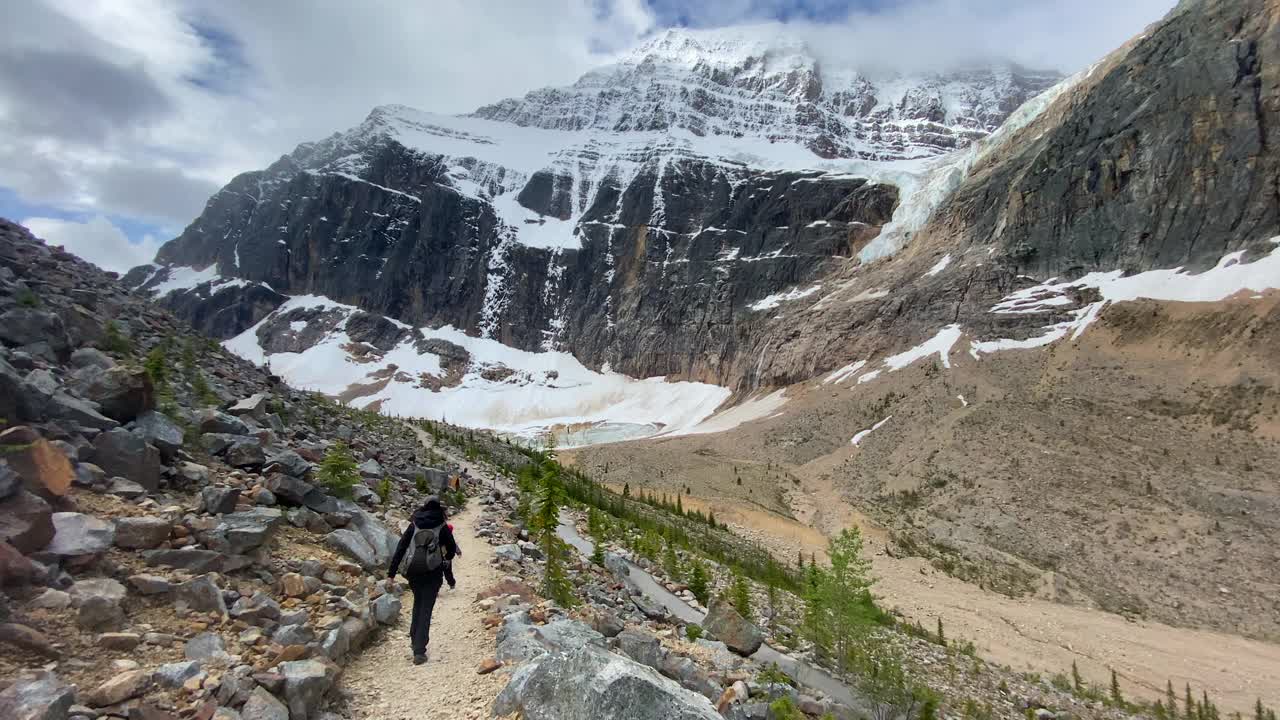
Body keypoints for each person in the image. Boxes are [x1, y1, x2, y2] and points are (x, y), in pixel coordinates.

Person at [388, 497, 457, 664]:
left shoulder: (415, 523)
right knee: (426, 608)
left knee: (417, 603)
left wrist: (391, 573)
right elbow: (452, 548)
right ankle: (419, 651)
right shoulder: (441, 525)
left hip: (413, 572)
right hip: (433, 573)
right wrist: (445, 559)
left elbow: (401, 547)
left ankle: (414, 640)